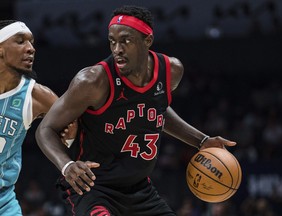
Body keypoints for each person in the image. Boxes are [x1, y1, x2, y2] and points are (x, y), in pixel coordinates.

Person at [35, 5, 236, 216]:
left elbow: (157, 110)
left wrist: (202, 141)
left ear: (147, 41)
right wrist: (67, 165)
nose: (117, 49)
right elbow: (45, 129)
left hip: (140, 190)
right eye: (112, 41)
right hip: (93, 189)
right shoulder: (93, 81)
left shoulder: (171, 71)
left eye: (126, 41)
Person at [0, 20, 76, 215]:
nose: (31, 49)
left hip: (4, 201)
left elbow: (69, 137)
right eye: (20, 41)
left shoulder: (37, 96)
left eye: (32, 42)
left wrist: (71, 135)